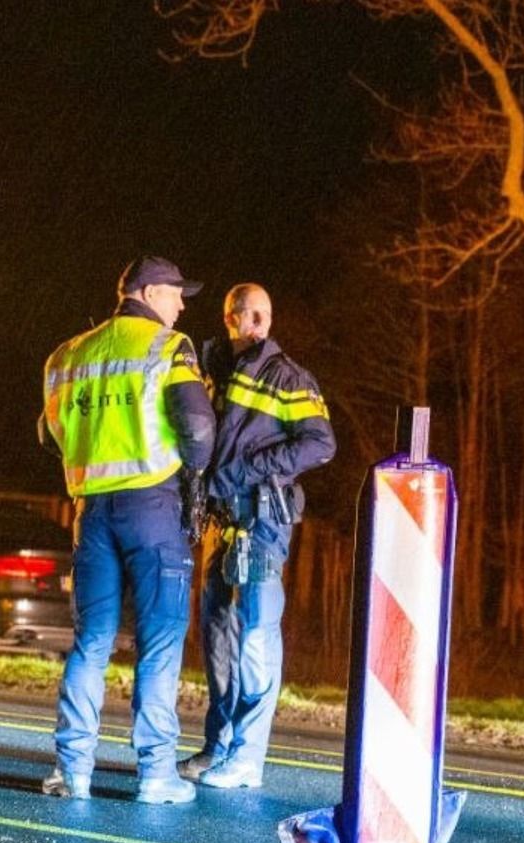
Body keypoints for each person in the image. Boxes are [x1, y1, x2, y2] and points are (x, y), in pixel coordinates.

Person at [39, 256, 215, 804]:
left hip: (91, 512)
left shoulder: (68, 354)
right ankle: (157, 775)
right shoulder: (168, 346)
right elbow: (199, 426)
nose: (182, 305)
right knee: (159, 644)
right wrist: (196, 470)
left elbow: (48, 434)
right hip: (153, 507)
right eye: (176, 293)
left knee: (90, 643)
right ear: (149, 292)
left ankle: (73, 772)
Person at [180, 284, 335, 788]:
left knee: (255, 639)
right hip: (224, 526)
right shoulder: (213, 371)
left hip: (263, 524)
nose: (262, 323)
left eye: (266, 315)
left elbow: (320, 444)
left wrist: (249, 470)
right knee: (218, 638)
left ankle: (247, 759)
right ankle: (218, 746)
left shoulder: (288, 377)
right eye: (253, 315)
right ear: (232, 318)